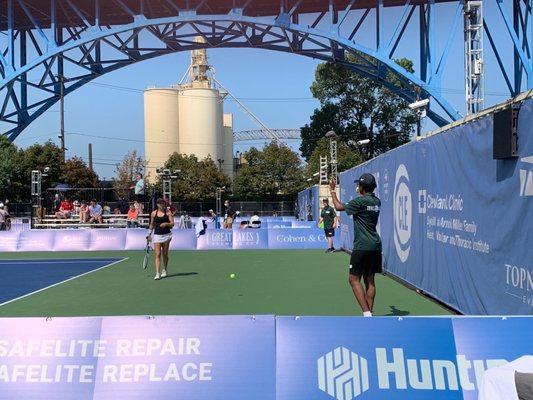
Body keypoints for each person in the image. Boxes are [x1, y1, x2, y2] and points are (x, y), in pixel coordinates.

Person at [329, 174, 382, 317]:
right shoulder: (377, 201)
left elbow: (338, 206)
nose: (357, 187)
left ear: (363, 187)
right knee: (369, 279)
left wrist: (332, 191)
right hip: (375, 246)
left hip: (362, 246)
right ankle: (369, 313)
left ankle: (366, 313)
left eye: (359, 185)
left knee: (353, 279)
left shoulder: (360, 202)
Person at [147, 198, 174, 280]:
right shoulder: (153, 213)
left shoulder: (168, 212)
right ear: (157, 204)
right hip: (157, 236)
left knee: (165, 254)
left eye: (163, 203)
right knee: (157, 254)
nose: (162, 205)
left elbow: (172, 224)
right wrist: (149, 234)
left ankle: (165, 270)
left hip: (166, 235)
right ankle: (157, 273)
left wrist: (166, 223)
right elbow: (151, 224)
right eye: (160, 203)